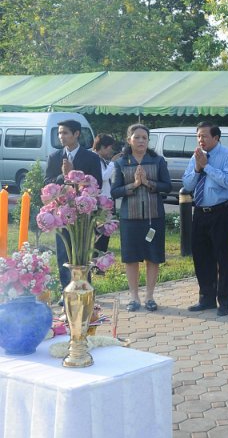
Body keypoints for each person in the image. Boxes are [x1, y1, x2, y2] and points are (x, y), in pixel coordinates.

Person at [110, 124, 172, 312]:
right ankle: (134, 297)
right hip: (130, 217)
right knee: (131, 258)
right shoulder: (121, 163)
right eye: (137, 137)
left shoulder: (157, 160)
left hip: (154, 217)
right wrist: (135, 185)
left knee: (153, 257)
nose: (141, 141)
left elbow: (167, 186)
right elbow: (114, 192)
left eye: (144, 137)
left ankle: (150, 297)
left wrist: (148, 183)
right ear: (129, 140)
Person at [182, 122, 228, 316]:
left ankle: (225, 301)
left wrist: (207, 167)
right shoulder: (196, 156)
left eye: (204, 136)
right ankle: (206, 298)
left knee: (223, 258)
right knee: (201, 256)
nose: (200, 140)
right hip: (199, 212)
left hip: (220, 211)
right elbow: (187, 185)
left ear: (216, 137)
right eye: (198, 136)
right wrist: (197, 168)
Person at [44, 119, 103, 293]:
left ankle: (85, 290)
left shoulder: (91, 157)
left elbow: (96, 184)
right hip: (62, 212)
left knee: (82, 253)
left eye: (65, 133)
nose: (61, 137)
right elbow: (47, 182)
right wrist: (64, 177)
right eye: (59, 133)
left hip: (83, 215)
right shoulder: (55, 157)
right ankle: (66, 292)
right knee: (64, 253)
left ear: (76, 134)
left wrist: (74, 172)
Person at [92, 134, 119, 255]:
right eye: (109, 148)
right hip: (102, 201)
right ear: (102, 147)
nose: (111, 151)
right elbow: (103, 176)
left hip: (106, 199)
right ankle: (97, 260)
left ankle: (99, 259)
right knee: (101, 232)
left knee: (105, 232)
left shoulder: (101, 159)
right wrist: (113, 163)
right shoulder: (94, 158)